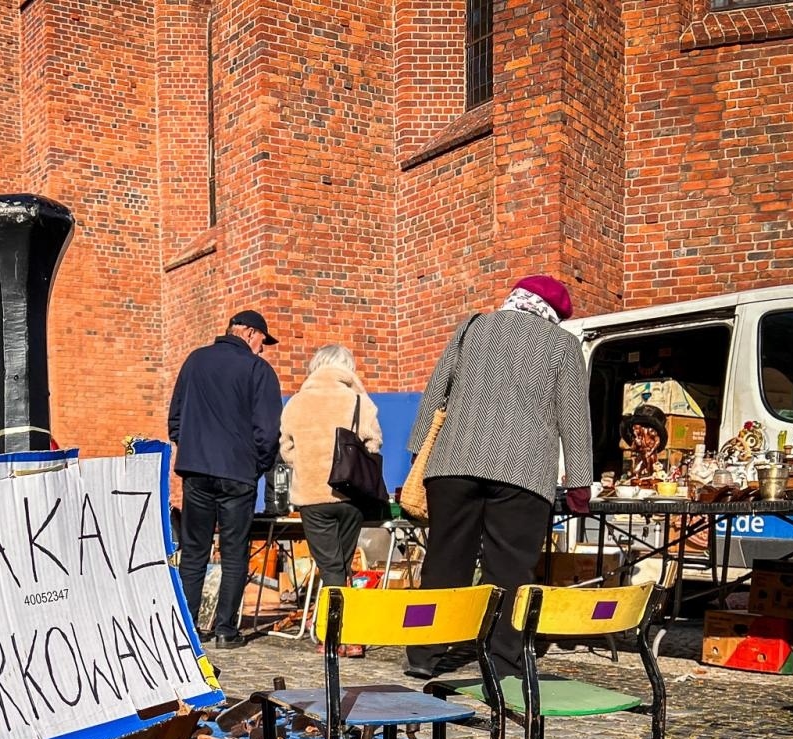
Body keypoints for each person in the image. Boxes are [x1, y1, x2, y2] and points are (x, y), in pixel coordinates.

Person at [403, 275, 593, 681]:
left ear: (514, 298)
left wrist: (418, 449)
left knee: (443, 561)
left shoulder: (473, 326)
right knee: (508, 570)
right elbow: (574, 417)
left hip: (453, 462)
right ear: (555, 313)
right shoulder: (562, 345)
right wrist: (579, 482)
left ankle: (423, 651)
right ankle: (503, 660)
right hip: (522, 470)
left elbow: (437, 389)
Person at [167, 308, 284, 649]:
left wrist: (190, 449)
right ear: (249, 333)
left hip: (196, 470)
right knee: (234, 553)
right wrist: (257, 465)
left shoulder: (194, 361)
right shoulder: (256, 369)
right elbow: (268, 430)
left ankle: (187, 631)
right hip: (237, 473)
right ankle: (225, 630)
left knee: (193, 552)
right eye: (262, 340)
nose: (262, 348)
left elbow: (175, 418)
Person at [278, 344, 382, 657]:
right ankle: (350, 635)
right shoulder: (358, 400)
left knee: (331, 568)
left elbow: (286, 448)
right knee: (342, 565)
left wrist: (308, 465)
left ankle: (338, 638)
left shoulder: (296, 402)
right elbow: (374, 444)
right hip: (349, 494)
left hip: (312, 496)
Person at [621, 403, 668, 481]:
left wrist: (651, 451)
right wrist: (635, 446)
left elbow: (657, 442)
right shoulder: (637, 436)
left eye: (636, 427)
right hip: (641, 455)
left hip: (650, 454)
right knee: (636, 470)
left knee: (651, 469)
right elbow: (631, 446)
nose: (634, 430)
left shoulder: (651, 432)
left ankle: (649, 479)